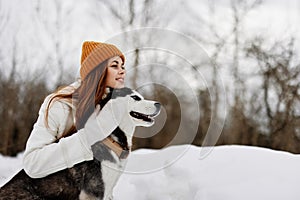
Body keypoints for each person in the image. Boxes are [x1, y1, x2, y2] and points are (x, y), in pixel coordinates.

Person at [23, 41, 126, 178]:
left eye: (123, 66)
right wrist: (87, 138)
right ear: (97, 71)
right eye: (115, 65)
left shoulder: (112, 108)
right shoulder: (60, 105)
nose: (123, 70)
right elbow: (33, 164)